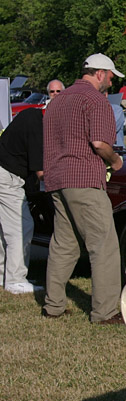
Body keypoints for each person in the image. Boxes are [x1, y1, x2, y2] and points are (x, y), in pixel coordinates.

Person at [41, 52, 125, 324]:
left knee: (64, 244)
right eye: (111, 78)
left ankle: (53, 306)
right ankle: (105, 311)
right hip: (84, 178)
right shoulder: (96, 101)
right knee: (104, 245)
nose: (111, 84)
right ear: (100, 73)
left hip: (56, 179)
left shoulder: (56, 101)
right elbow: (100, 144)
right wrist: (116, 161)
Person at [0, 108, 45, 294]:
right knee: (21, 226)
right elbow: (41, 173)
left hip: (3, 172)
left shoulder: (30, 114)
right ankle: (16, 280)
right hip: (8, 178)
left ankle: (4, 274)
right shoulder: (37, 126)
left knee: (4, 229)